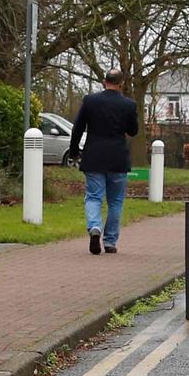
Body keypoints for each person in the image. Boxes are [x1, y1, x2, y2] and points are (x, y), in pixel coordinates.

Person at [70, 69, 139, 255]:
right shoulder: (129, 105)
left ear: (104, 81)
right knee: (115, 201)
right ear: (121, 83)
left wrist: (74, 151)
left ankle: (95, 228)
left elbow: (77, 128)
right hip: (117, 157)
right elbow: (133, 131)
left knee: (93, 196)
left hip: (94, 156)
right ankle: (110, 242)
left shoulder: (90, 101)